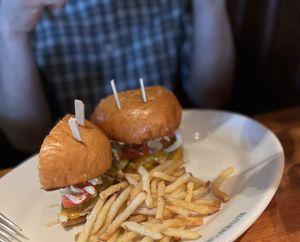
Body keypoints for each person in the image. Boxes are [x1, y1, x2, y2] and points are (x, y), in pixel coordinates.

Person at [0, 0, 234, 156]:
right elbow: (27, 138)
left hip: (177, 145)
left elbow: (211, 94)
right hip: (75, 167)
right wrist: (10, 29)